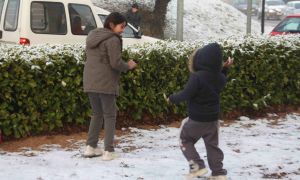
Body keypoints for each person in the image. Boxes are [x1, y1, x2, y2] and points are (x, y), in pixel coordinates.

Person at [166, 43, 233, 180]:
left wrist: (171, 98)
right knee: (212, 145)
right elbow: (221, 79)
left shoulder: (197, 77)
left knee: (184, 139)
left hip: (196, 119)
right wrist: (225, 68)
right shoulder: (219, 77)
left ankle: (197, 166)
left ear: (201, 59)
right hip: (213, 120)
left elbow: (186, 94)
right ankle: (218, 173)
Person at [83, 12, 137, 161]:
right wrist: (129, 66)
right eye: (121, 27)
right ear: (112, 25)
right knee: (109, 115)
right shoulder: (113, 39)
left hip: (89, 80)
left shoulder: (93, 35)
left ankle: (91, 147)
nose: (122, 30)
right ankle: (108, 150)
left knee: (97, 114)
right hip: (105, 82)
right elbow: (115, 63)